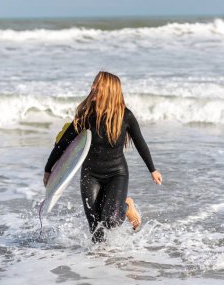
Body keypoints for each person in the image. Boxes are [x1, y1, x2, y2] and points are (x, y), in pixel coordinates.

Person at [43, 71, 162, 242]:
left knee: (110, 221)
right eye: (93, 84)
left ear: (108, 90)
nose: (92, 87)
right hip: (90, 174)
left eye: (97, 85)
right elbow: (63, 143)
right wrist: (49, 169)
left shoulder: (125, 115)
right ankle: (99, 264)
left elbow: (140, 142)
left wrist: (152, 169)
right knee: (95, 228)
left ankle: (127, 206)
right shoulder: (85, 116)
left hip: (116, 173)